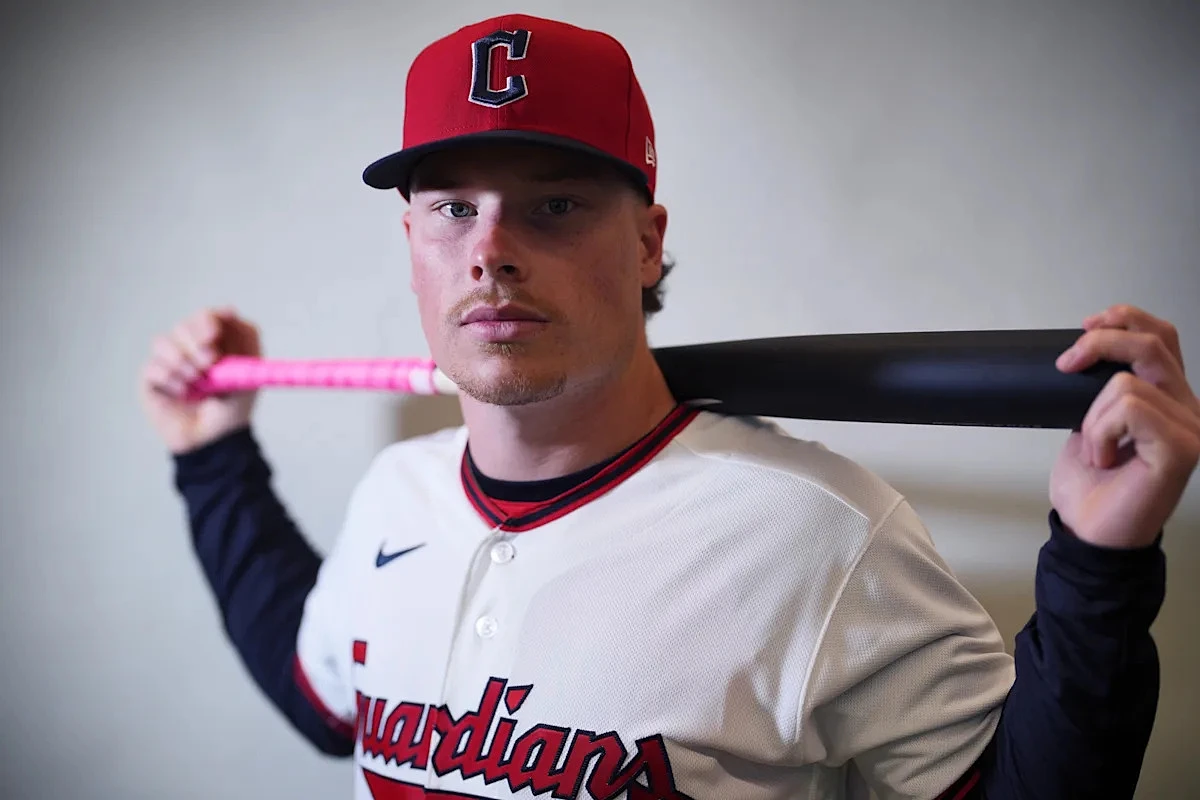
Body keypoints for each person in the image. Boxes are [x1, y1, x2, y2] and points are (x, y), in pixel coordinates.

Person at [139, 13, 1199, 800]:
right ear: (411, 241)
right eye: (453, 207)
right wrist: (210, 457)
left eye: (555, 204)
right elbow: (322, 700)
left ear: (647, 242)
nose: (490, 250)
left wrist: (1097, 564)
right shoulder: (393, 492)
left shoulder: (820, 531)